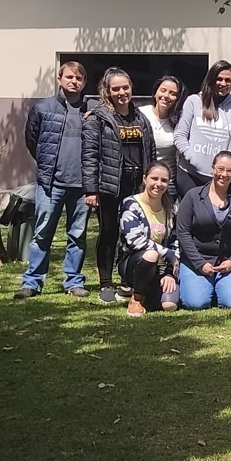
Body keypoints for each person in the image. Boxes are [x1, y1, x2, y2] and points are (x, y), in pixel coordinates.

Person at [16, 61, 92, 299]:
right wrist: (47, 165)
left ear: (84, 82)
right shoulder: (43, 108)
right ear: (59, 79)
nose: (74, 81)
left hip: (82, 186)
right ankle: (32, 282)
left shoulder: (93, 109)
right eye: (69, 77)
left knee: (77, 235)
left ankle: (74, 282)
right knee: (42, 234)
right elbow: (32, 140)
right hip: (51, 184)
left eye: (79, 78)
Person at [83, 67, 157, 304]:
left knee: (134, 233)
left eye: (125, 87)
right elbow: (89, 156)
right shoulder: (97, 119)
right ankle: (105, 283)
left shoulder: (140, 118)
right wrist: (91, 189)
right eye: (116, 89)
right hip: (110, 185)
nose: (122, 92)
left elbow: (150, 152)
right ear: (107, 91)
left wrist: (150, 179)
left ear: (131, 88)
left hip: (137, 185)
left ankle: (128, 280)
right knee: (109, 233)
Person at [174, 151, 231, 309]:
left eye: (230, 171)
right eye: (220, 169)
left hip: (230, 260)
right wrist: (199, 263)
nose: (224, 174)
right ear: (212, 169)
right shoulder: (193, 196)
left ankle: (219, 287)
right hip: (197, 259)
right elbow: (183, 232)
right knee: (195, 303)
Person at [174, 60, 231, 197]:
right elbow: (180, 135)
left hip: (221, 177)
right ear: (211, 79)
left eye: (228, 80)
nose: (223, 83)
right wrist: (191, 157)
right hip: (190, 175)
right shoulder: (194, 101)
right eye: (219, 79)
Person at [117, 162, 181, 316]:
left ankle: (150, 295)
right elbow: (135, 241)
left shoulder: (171, 208)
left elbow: (175, 241)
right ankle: (137, 298)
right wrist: (168, 254)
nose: (159, 184)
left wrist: (169, 273)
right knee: (151, 254)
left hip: (161, 268)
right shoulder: (131, 204)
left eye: (164, 180)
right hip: (135, 264)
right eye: (154, 178)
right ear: (145, 179)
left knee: (169, 305)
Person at [139, 75, 183, 191]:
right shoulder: (140, 114)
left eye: (172, 93)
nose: (166, 96)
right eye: (163, 90)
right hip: (142, 180)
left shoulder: (180, 121)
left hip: (167, 182)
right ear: (155, 93)